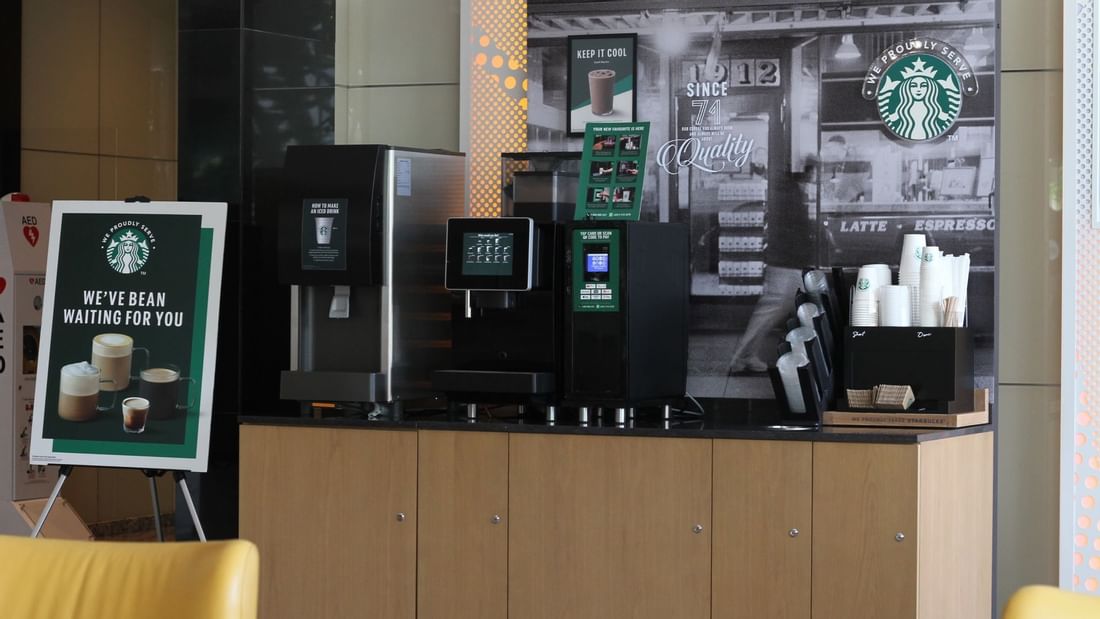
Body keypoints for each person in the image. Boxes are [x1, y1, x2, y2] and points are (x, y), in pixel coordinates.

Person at [728, 165, 815, 374]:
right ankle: (742, 356)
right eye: (814, 172)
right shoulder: (791, 194)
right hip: (786, 262)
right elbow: (795, 230)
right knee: (773, 309)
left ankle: (746, 356)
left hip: (786, 261)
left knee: (778, 308)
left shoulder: (788, 192)